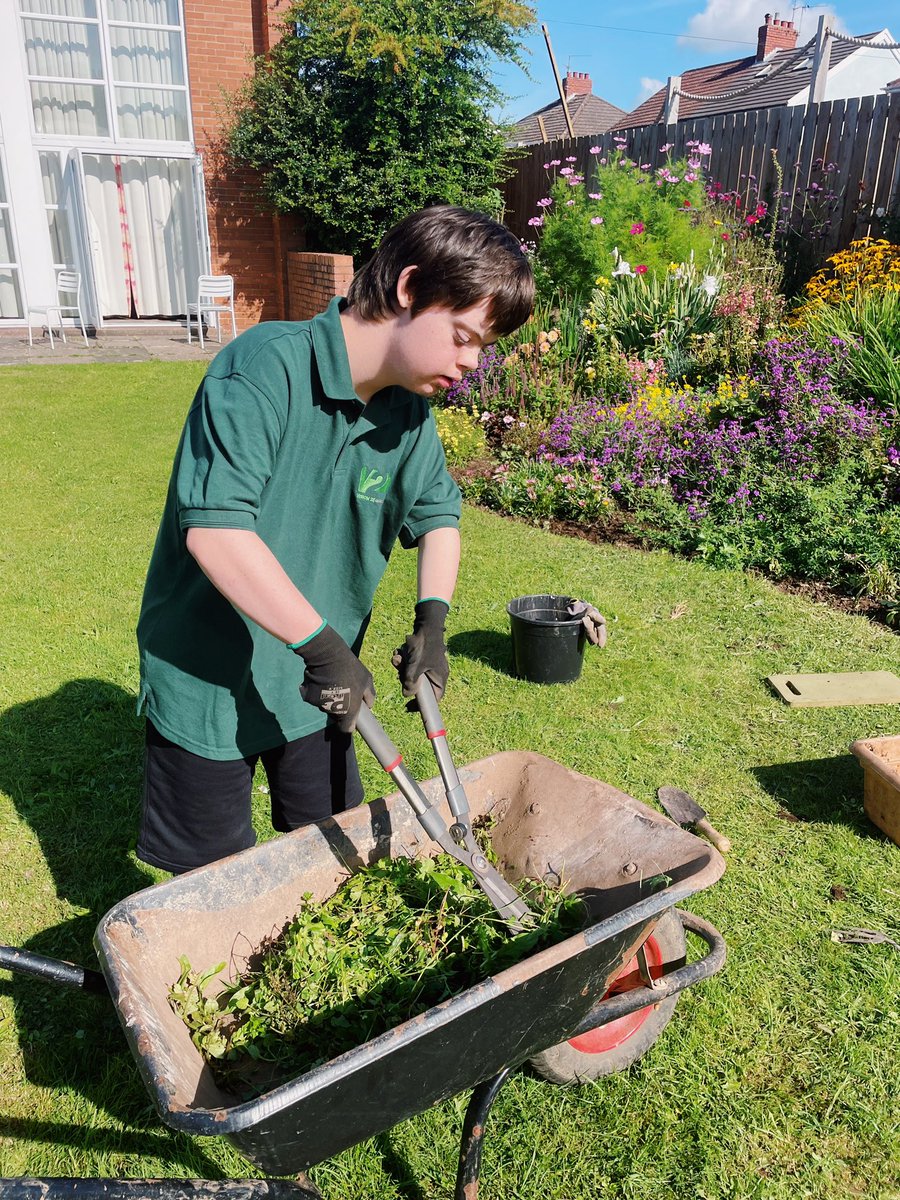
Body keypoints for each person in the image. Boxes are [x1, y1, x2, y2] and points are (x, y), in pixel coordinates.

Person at [135, 205, 534, 874]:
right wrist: (324, 650)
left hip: (318, 688)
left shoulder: (409, 415)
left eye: (482, 349)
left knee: (333, 860)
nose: (470, 364)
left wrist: (431, 622)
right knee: (210, 882)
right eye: (463, 336)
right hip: (209, 680)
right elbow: (216, 532)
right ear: (409, 289)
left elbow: (438, 515)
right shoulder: (263, 370)